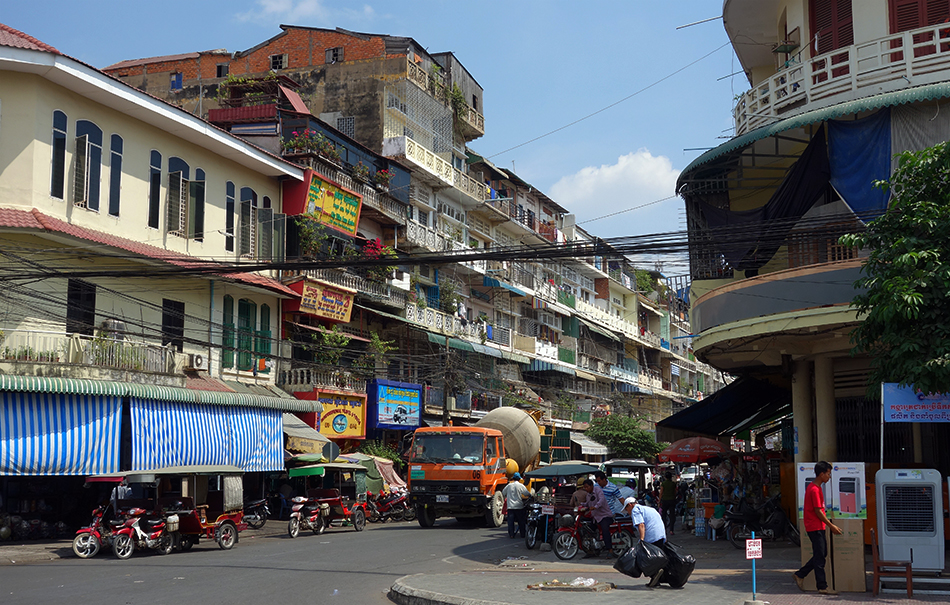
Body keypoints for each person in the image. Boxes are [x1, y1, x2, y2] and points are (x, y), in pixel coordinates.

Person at [793, 461, 841, 595]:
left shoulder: (816, 487)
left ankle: (800, 574)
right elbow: (818, 511)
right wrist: (831, 526)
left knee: (821, 554)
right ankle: (822, 586)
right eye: (828, 474)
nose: (829, 477)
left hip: (816, 526)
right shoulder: (814, 489)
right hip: (815, 526)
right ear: (821, 474)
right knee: (820, 557)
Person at [623, 496, 667, 587]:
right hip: (661, 535)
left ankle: (654, 575)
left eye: (627, 509)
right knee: (655, 557)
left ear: (630, 505)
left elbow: (641, 525)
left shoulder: (635, 510)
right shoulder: (648, 508)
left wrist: (642, 540)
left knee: (643, 558)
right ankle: (656, 579)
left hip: (651, 536)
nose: (628, 512)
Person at [588, 471, 616, 558]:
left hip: (607, 514)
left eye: (599, 481)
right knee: (588, 527)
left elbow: (601, 501)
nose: (598, 483)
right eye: (597, 481)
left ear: (604, 479)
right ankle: (592, 549)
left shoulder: (612, 487)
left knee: (605, 529)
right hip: (597, 514)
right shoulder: (595, 487)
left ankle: (610, 550)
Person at [502, 472, 530, 539]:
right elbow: (527, 493)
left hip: (510, 507)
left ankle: (511, 534)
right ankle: (522, 534)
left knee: (510, 522)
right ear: (519, 479)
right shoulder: (521, 486)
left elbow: (503, 492)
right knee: (521, 521)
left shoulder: (509, 485)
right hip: (519, 506)